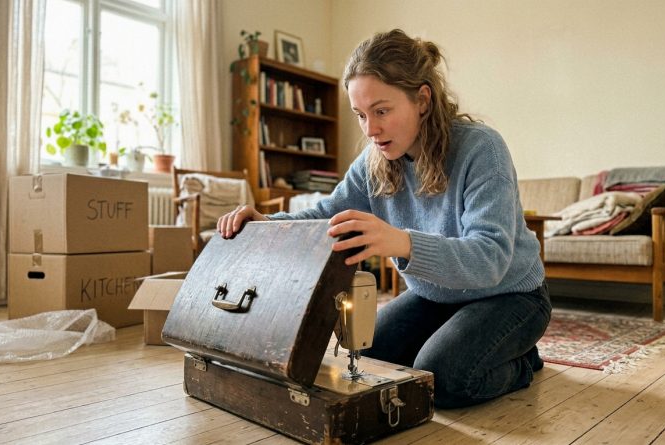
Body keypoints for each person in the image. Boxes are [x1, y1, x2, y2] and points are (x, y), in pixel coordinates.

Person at [217, 29, 550, 409]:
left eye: (381, 111)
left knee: (441, 379)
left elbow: (490, 259)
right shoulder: (374, 162)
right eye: (361, 115)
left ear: (422, 100)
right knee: (365, 355)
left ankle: (524, 362)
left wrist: (400, 241)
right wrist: (265, 222)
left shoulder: (481, 148)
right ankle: (466, 342)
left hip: (510, 296)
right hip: (436, 295)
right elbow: (328, 216)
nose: (370, 129)